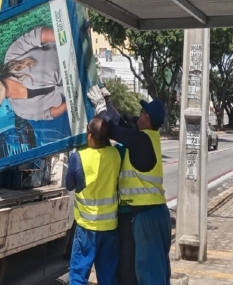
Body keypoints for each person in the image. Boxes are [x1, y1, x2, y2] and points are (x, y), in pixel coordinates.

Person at [88, 85, 171, 285]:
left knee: (149, 273)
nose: (138, 115)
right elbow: (121, 124)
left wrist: (100, 108)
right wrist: (107, 102)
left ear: (147, 118)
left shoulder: (140, 139)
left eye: (142, 112)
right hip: (155, 213)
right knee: (154, 269)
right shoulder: (148, 137)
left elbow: (114, 129)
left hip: (145, 216)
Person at [65, 116, 121, 285]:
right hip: (110, 228)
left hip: (87, 229)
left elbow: (69, 185)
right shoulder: (115, 154)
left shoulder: (79, 157)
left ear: (89, 135)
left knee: (78, 276)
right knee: (108, 278)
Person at [0, 26, 66, 121]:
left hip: (66, 49)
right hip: (75, 84)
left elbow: (39, 35)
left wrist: (65, 40)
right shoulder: (21, 111)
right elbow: (48, 114)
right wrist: (72, 102)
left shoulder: (11, 57)